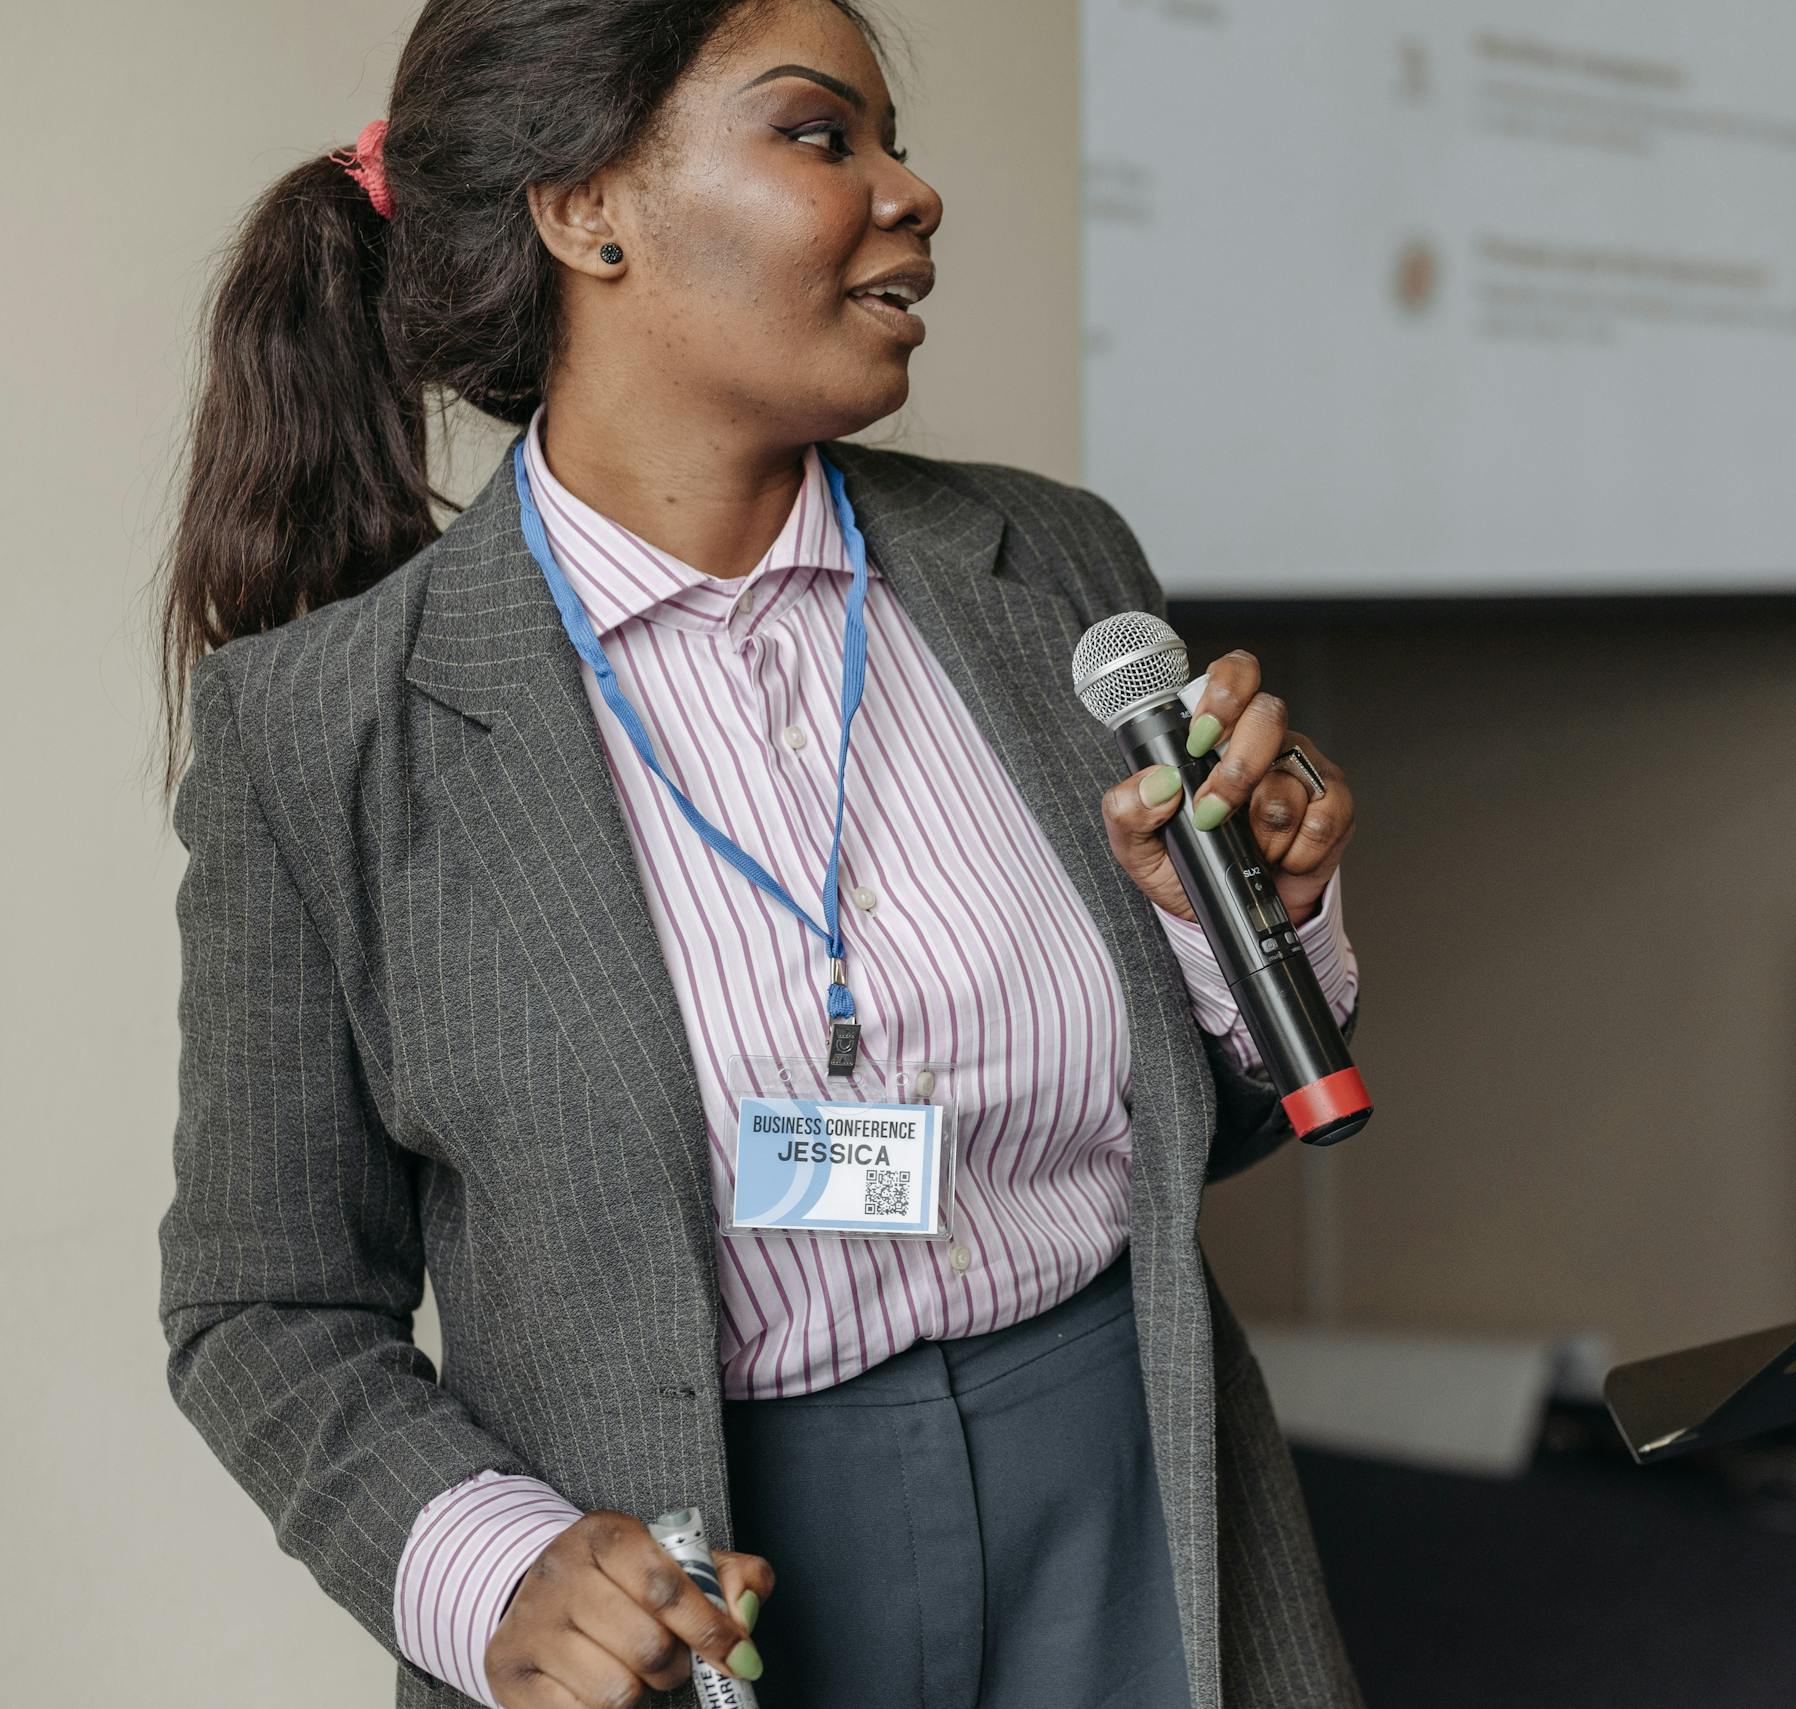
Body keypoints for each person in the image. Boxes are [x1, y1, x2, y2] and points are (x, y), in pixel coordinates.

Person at [155, 3, 1366, 1706]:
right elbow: (265, 1306)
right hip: (702, 1584)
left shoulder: (1053, 564)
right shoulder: (321, 732)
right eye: (822, 136)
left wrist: (1248, 929)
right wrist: (498, 1570)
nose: (913, 190)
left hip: (1140, 1491)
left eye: (894, 138)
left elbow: (1210, 1126)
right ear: (587, 211)